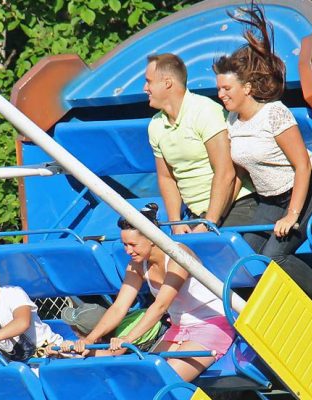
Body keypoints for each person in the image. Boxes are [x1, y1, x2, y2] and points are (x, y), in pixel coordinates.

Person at [212, 2, 312, 326]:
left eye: (226, 88)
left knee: (275, 256)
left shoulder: (274, 113)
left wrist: (292, 215)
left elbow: (302, 166)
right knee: (246, 259)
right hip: (269, 199)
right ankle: (292, 313)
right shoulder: (233, 121)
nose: (221, 95)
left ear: (246, 88)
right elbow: (237, 174)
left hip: (304, 189)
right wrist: (216, 215)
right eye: (218, 89)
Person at [67, 204, 235, 381]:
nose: (128, 251)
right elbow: (119, 307)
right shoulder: (136, 264)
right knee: (143, 376)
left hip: (213, 324)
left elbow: (160, 306)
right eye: (124, 245)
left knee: (163, 380)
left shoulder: (178, 255)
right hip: (179, 328)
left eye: (133, 245)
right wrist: (90, 339)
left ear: (152, 238)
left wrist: (128, 339)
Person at [145, 53, 256, 234]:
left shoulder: (205, 111)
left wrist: (208, 223)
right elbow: (166, 178)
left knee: (221, 251)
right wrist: (175, 222)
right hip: (197, 216)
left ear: (167, 83)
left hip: (237, 205)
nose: (145, 88)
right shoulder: (155, 125)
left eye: (148, 81)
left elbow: (226, 172)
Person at [59, 303, 162, 354]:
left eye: (75, 329)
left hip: (162, 328)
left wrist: (77, 350)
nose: (73, 332)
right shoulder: (108, 333)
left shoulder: (122, 334)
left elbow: (111, 354)